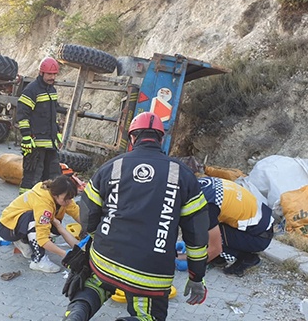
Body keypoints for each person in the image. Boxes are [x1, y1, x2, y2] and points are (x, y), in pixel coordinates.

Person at [61, 112, 210, 321]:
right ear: (161, 139)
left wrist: (102, 237)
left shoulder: (112, 166)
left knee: (94, 284)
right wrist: (196, 277)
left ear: (132, 138)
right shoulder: (183, 176)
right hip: (150, 273)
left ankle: (76, 315)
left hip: (106, 258)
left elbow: (87, 214)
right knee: (147, 314)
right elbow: (197, 236)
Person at [0, 175, 81, 273]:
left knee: (54, 226)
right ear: (55, 194)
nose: (68, 202)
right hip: (7, 228)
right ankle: (38, 260)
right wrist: (65, 254)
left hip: (18, 225)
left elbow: (77, 213)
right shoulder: (43, 204)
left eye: (70, 198)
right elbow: (42, 239)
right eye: (65, 199)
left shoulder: (63, 197)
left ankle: (23, 241)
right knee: (36, 220)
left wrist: (93, 229)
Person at [197, 176, 275, 276]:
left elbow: (215, 247)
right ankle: (219, 259)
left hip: (259, 237)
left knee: (205, 231)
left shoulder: (207, 205)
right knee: (208, 226)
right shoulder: (204, 183)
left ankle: (246, 257)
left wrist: (192, 264)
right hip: (263, 225)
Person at [16, 57, 63, 194]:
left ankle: (44, 206)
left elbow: (52, 116)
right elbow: (23, 114)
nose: (52, 77)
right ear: (41, 73)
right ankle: (24, 207)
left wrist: (57, 133)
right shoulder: (31, 90)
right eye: (49, 74)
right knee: (31, 179)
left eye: (54, 74)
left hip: (50, 143)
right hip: (35, 144)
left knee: (52, 177)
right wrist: (26, 136)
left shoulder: (52, 90)